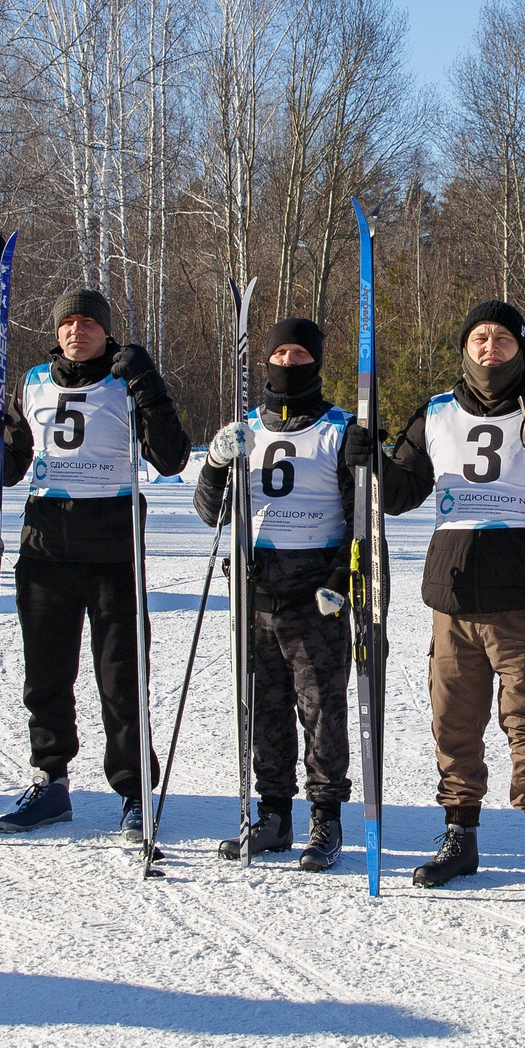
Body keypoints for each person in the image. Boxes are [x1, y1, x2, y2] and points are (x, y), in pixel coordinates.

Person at [375, 300, 525, 896]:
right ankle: (461, 835)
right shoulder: (436, 414)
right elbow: (399, 495)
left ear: (521, 346)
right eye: (479, 337)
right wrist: (370, 460)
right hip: (452, 599)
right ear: (464, 347)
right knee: (453, 723)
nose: (489, 347)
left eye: (502, 338)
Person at [0, 287, 189, 841]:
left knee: (122, 678)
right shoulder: (34, 382)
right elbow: (11, 467)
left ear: (106, 331)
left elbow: (171, 459)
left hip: (112, 549)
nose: (76, 331)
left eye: (88, 322)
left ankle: (134, 790)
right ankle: (50, 780)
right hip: (45, 548)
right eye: (67, 323)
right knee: (45, 676)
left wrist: (150, 386)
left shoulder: (125, 382)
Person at [191, 318, 359, 870]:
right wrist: (216, 463)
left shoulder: (338, 429)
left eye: (300, 354)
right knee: (263, 711)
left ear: (317, 361)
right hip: (256, 593)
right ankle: (274, 815)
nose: (289, 362)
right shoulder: (244, 429)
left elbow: (361, 521)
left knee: (322, 712)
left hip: (315, 598)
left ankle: (325, 818)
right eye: (280, 352)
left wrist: (341, 579)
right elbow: (211, 513)